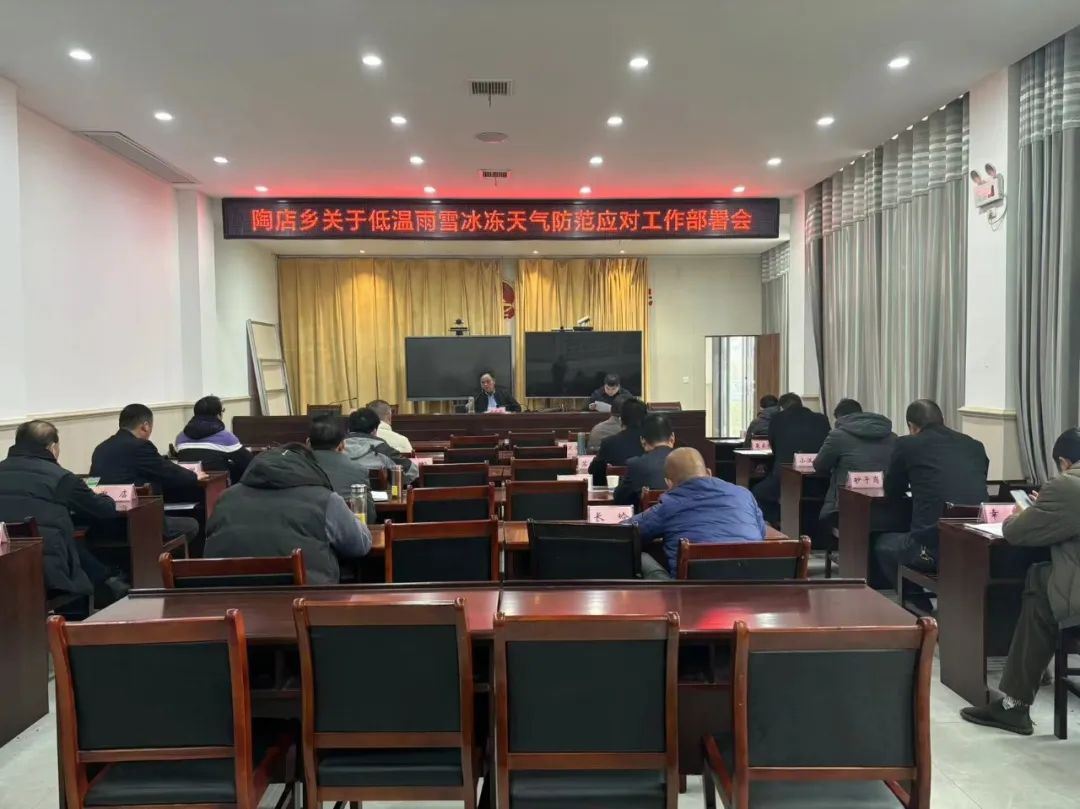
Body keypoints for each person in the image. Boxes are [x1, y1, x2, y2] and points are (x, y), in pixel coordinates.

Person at [959, 428, 1080, 736]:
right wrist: (1046, 510)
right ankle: (1034, 676)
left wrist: (1024, 513)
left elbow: (1015, 532)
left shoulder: (1067, 485)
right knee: (1045, 580)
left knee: (1039, 581)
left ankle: (1015, 704)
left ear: (1064, 462)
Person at [204, 443, 370, 584]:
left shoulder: (226, 497)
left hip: (227, 598)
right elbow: (359, 545)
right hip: (305, 599)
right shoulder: (325, 499)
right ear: (310, 468)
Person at [0, 420, 127, 603]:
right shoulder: (61, 478)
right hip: (47, 571)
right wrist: (106, 497)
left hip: (7, 565)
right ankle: (109, 585)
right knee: (69, 542)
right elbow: (103, 509)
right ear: (52, 447)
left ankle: (108, 579)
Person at [873, 399, 989, 592]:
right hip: (977, 546)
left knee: (882, 545)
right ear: (942, 420)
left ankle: (917, 606)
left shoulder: (907, 444)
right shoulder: (974, 445)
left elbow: (892, 489)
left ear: (912, 426)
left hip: (932, 547)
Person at [625, 447, 766, 578]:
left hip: (694, 593)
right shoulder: (744, 494)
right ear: (708, 473)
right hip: (753, 586)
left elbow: (625, 533)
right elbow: (762, 532)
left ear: (669, 483)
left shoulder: (669, 505)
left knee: (641, 556)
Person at [90, 403, 203, 546]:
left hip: (101, 525)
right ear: (145, 426)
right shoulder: (140, 446)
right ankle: (167, 560)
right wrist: (194, 476)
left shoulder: (101, 448)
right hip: (136, 525)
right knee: (192, 524)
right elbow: (170, 472)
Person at [813, 398, 896, 529]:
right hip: (886, 508)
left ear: (840, 417)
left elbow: (819, 465)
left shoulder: (838, 435)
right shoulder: (892, 436)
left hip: (845, 508)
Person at [751, 393, 831, 524]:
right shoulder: (822, 419)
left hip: (785, 478)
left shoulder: (778, 419)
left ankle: (777, 522)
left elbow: (774, 448)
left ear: (781, 407)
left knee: (758, 492)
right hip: (820, 481)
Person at [308, 415, 377, 523]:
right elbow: (369, 516)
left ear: (308, 443)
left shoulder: (296, 468)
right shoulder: (358, 470)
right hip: (348, 530)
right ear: (342, 444)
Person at [175, 395, 253, 483]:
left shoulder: (180, 437)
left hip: (188, 485)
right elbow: (248, 462)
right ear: (218, 415)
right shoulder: (226, 437)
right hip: (218, 485)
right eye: (222, 411)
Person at [614, 413, 676, 509]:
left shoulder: (636, 464)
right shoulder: (688, 462)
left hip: (650, 518)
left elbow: (619, 499)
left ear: (643, 441)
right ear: (672, 438)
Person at [344, 407, 419, 485]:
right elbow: (413, 471)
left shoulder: (337, 447)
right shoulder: (383, 449)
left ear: (348, 429)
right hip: (377, 492)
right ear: (374, 431)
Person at [588, 397, 649, 486]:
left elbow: (594, 471)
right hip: (650, 492)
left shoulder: (609, 443)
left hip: (615, 491)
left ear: (621, 419)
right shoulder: (652, 441)